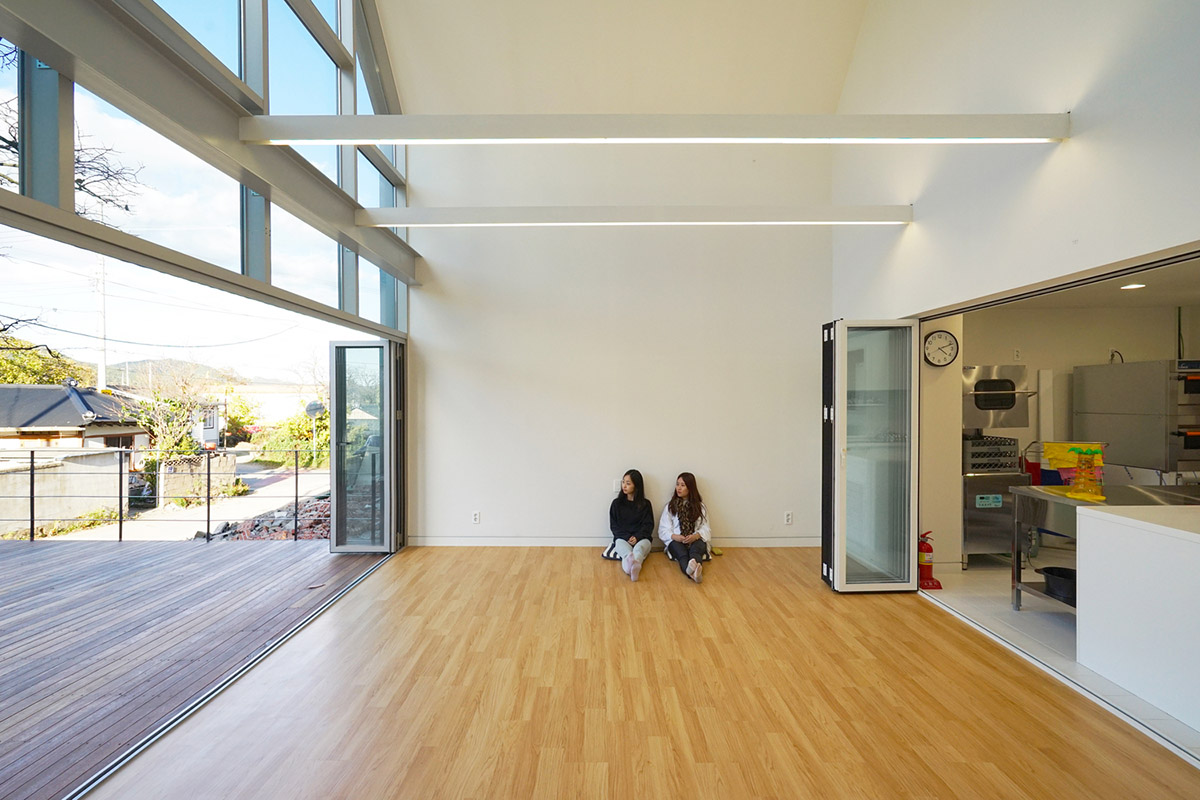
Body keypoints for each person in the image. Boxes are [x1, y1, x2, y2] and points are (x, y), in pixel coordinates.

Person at [658, 472, 710, 583]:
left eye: (683, 485)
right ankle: (693, 573)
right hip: (676, 540)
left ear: (690, 488)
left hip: (696, 539)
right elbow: (663, 529)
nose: (679, 488)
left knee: (695, 551)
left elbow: (706, 527)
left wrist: (696, 536)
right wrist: (675, 536)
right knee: (682, 554)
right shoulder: (670, 506)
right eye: (677, 484)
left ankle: (694, 569)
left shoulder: (700, 507)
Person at [609, 469, 654, 581]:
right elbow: (614, 526)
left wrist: (637, 537)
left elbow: (648, 525)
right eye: (623, 482)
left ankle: (633, 566)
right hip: (622, 539)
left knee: (639, 549)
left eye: (628, 483)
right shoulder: (616, 504)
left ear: (636, 486)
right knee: (627, 554)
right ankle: (633, 568)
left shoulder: (646, 504)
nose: (624, 485)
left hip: (642, 539)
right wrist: (627, 537)